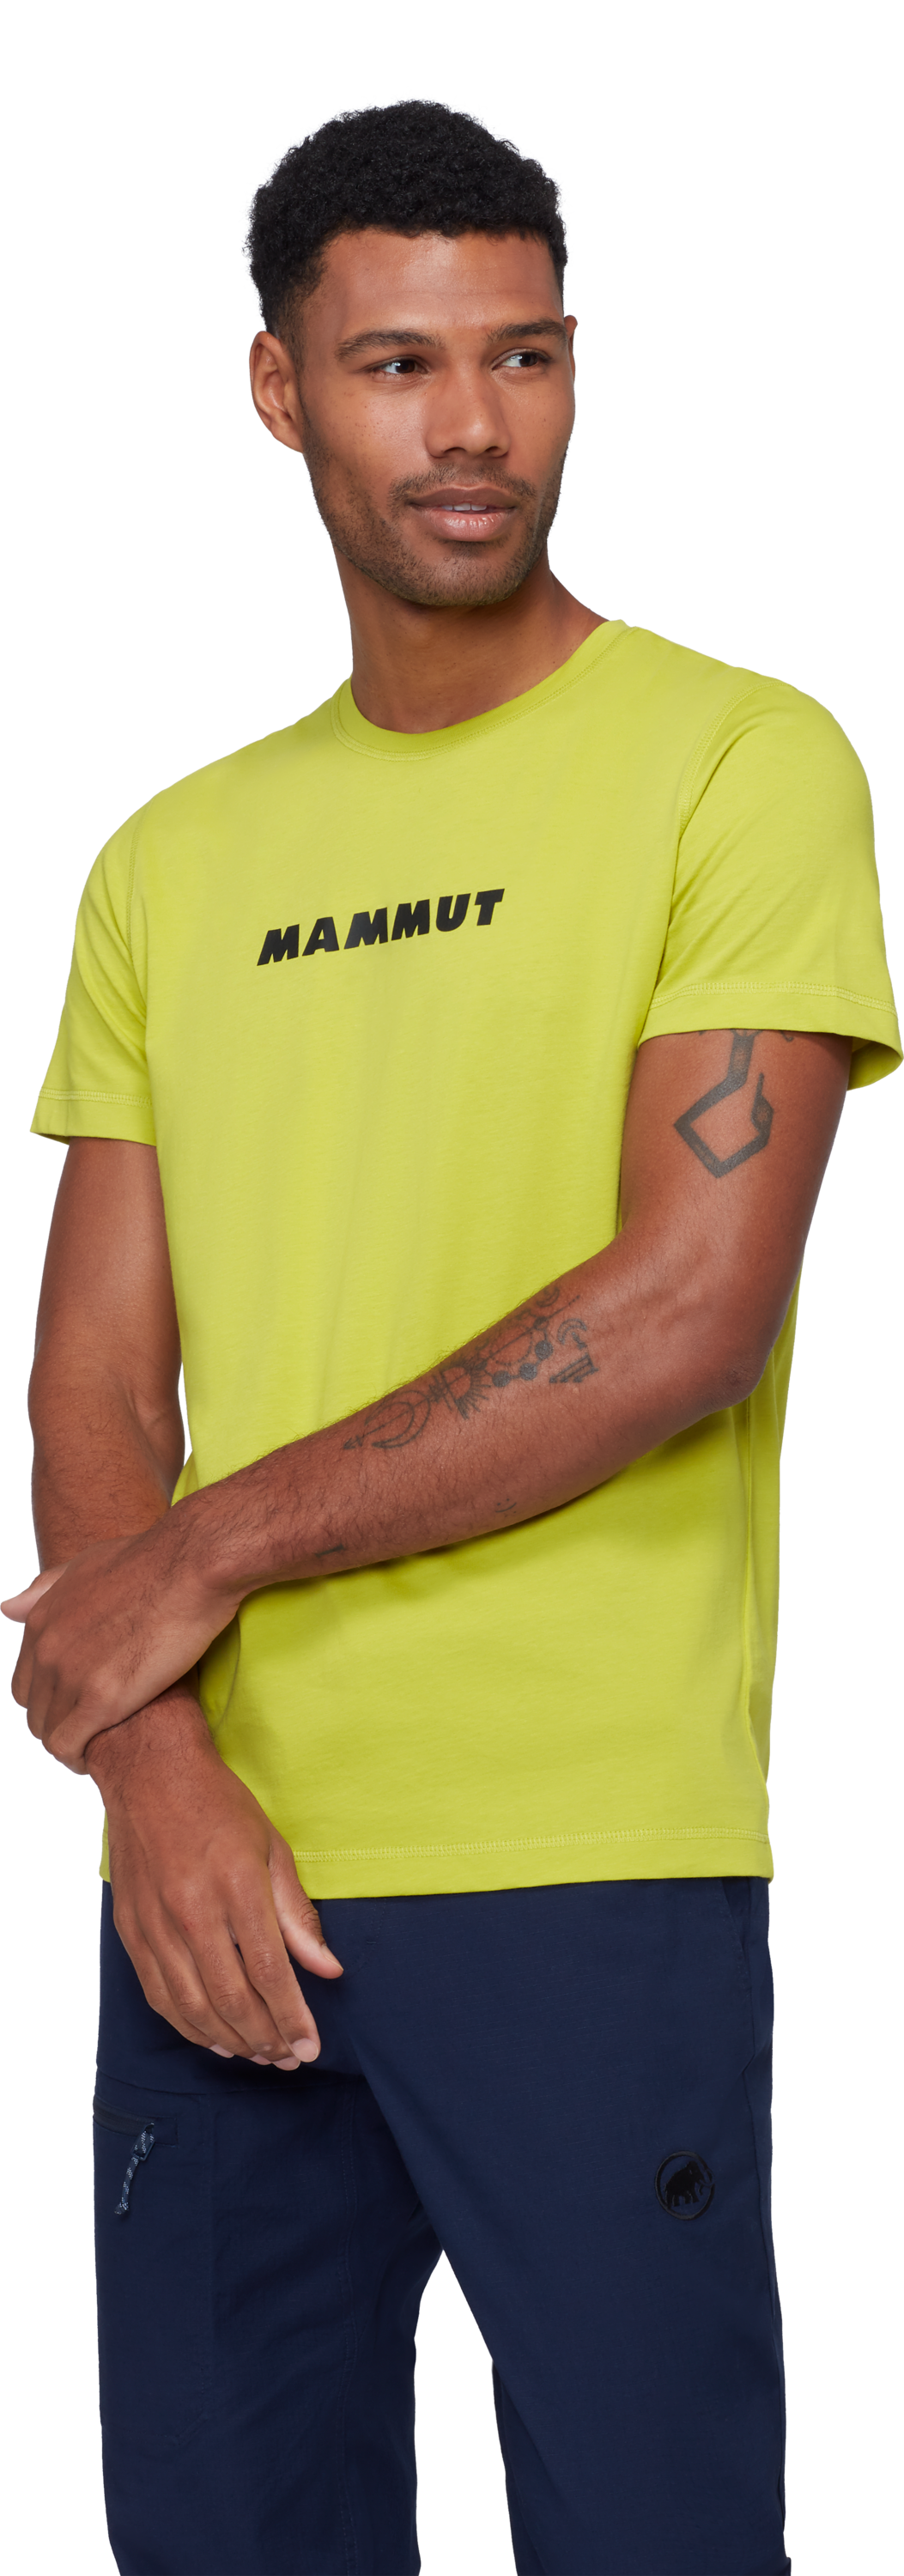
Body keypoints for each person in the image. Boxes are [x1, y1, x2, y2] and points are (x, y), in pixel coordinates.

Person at [4, 91, 899, 2576]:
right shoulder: (174, 859)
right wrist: (156, 1776)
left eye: (522, 356)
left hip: (583, 1852)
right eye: (398, 364)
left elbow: (682, 1309)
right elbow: (92, 1380)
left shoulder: (738, 761)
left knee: (653, 2538)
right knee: (225, 2544)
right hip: (220, 1868)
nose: (474, 424)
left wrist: (204, 1558)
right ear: (281, 389)